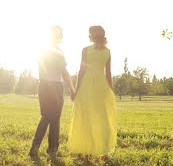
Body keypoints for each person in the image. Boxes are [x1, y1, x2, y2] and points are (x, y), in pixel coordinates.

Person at [68, 25, 117, 156]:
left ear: (92, 36)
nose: (89, 35)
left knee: (84, 116)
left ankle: (83, 152)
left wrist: (76, 91)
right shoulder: (108, 51)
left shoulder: (86, 50)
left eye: (90, 33)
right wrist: (110, 91)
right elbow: (108, 74)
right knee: (102, 117)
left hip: (87, 85)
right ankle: (103, 152)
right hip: (101, 85)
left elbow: (81, 71)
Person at [29, 26, 76, 157]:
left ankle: (36, 146)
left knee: (46, 116)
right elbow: (64, 72)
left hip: (43, 85)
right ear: (59, 37)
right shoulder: (58, 52)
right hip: (54, 86)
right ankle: (52, 149)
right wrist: (72, 89)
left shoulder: (41, 50)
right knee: (54, 118)